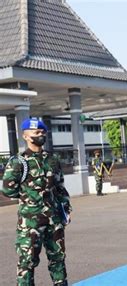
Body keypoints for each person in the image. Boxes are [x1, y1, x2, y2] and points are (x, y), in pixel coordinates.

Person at [1, 118, 71, 286]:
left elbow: (60, 187)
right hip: (30, 222)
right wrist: (29, 199)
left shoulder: (52, 160)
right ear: (26, 136)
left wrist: (66, 209)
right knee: (27, 261)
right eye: (36, 133)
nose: (40, 135)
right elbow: (8, 189)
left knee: (58, 258)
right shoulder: (18, 162)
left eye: (42, 132)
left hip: (53, 220)